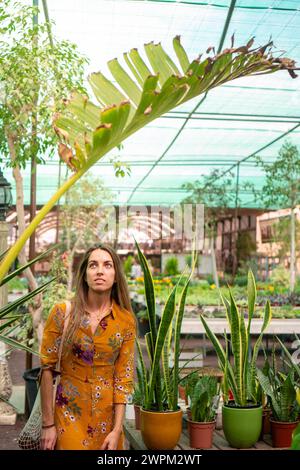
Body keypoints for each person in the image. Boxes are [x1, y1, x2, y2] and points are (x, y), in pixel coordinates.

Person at [39, 243, 136, 450]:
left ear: (116, 276)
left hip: (107, 422)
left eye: (107, 265)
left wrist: (117, 430)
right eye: (93, 265)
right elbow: (46, 369)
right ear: (84, 275)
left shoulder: (125, 321)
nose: (100, 271)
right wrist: (48, 425)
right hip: (68, 416)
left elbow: (123, 379)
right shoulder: (61, 313)